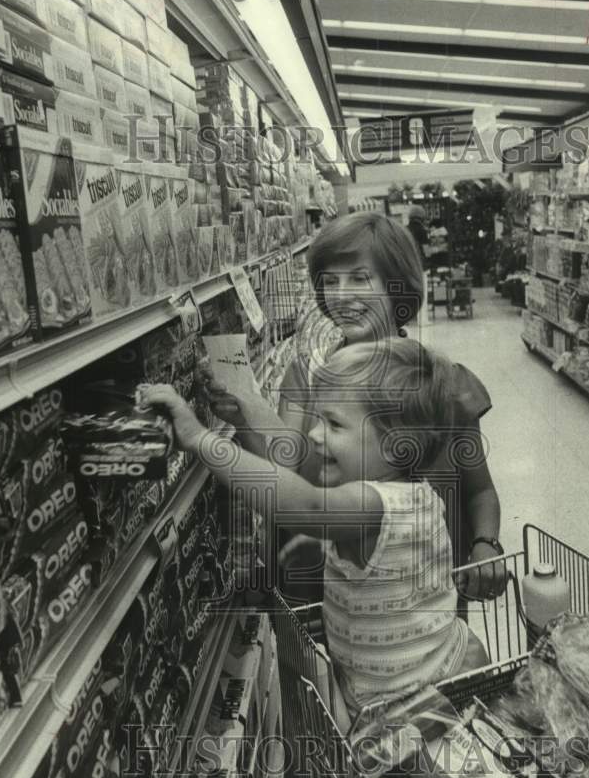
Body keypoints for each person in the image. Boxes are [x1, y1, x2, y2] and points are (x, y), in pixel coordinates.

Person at [141, 339, 490, 725]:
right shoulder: (413, 493)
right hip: (439, 660)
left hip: (414, 708)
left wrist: (202, 440)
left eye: (335, 424)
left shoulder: (374, 506)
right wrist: (246, 417)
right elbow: (298, 461)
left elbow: (303, 504)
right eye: (319, 418)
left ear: (395, 448)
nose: (317, 435)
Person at [203, 211, 506, 603]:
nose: (341, 296)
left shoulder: (443, 384)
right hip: (326, 597)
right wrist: (242, 417)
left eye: (360, 279)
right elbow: (283, 469)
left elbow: (480, 491)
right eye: (330, 281)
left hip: (424, 608)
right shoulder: (305, 373)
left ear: (397, 286)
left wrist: (486, 544)